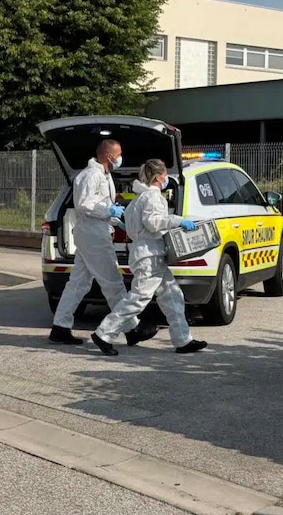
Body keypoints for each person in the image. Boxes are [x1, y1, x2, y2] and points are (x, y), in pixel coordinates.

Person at [90, 159, 208, 356]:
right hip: (149, 255)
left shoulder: (139, 199)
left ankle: (182, 340)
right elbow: (153, 223)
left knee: (173, 297)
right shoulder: (153, 198)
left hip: (149, 254)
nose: (167, 178)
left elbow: (135, 226)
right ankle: (104, 334)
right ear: (160, 176)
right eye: (165, 174)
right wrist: (179, 221)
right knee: (138, 299)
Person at [49, 139, 157, 347]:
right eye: (119, 153)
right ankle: (131, 328)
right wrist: (109, 212)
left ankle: (60, 328)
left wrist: (118, 220)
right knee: (113, 282)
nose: (120, 157)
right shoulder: (91, 176)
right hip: (93, 235)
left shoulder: (103, 175)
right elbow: (84, 206)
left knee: (78, 284)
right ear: (109, 156)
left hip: (94, 232)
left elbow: (101, 206)